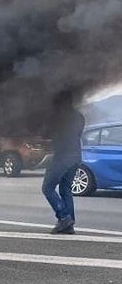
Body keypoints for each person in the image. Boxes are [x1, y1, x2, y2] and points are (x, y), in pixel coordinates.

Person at [42, 93, 85, 235]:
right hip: (76, 156)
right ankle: (69, 224)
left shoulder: (58, 117)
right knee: (66, 189)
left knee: (47, 187)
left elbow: (46, 134)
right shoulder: (79, 116)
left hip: (62, 157)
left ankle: (64, 216)